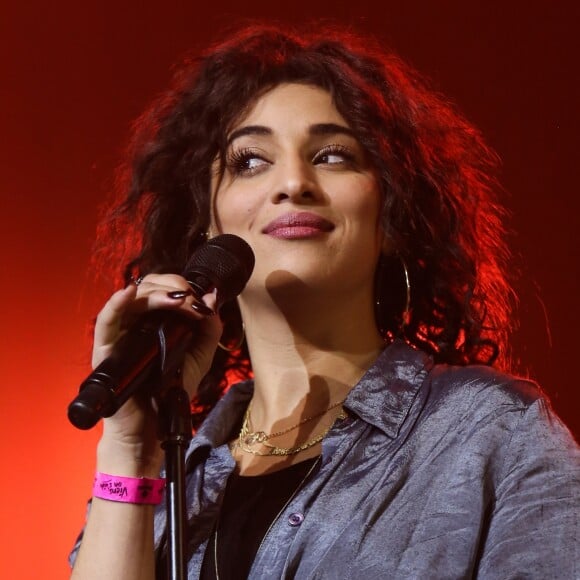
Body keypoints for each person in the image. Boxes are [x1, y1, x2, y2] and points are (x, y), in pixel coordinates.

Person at [69, 23, 579, 579]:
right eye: (250, 161)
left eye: (333, 155)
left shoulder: (491, 431)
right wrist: (130, 450)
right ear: (207, 229)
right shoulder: (164, 484)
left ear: (390, 218)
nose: (293, 181)